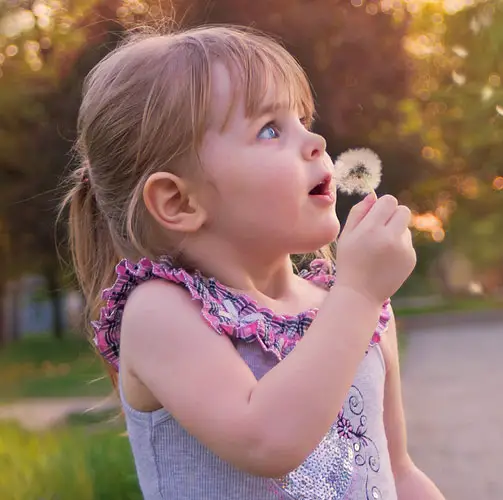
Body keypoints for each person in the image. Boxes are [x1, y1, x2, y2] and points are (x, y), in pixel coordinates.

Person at [62, 25, 445, 500]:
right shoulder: (160, 313)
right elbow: (268, 440)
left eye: (304, 119)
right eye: (269, 129)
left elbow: (398, 471)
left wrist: (359, 298)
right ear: (179, 202)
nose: (316, 141)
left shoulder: (351, 310)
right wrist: (359, 293)